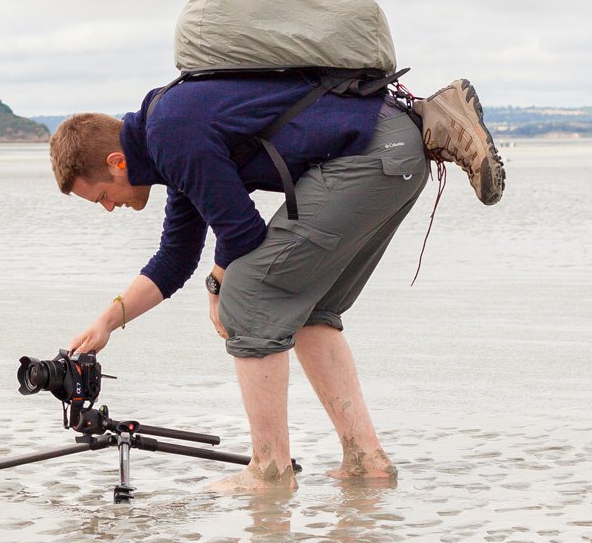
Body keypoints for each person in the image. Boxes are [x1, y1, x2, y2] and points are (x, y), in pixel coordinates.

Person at [51, 77, 504, 489]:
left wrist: (219, 289)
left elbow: (241, 231)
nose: (109, 207)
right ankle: (367, 461)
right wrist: (108, 321)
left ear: (117, 162)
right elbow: (176, 258)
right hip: (395, 152)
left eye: (103, 196)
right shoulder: (169, 140)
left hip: (371, 155)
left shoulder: (171, 135)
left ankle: (269, 468)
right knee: (307, 307)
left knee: (248, 295)